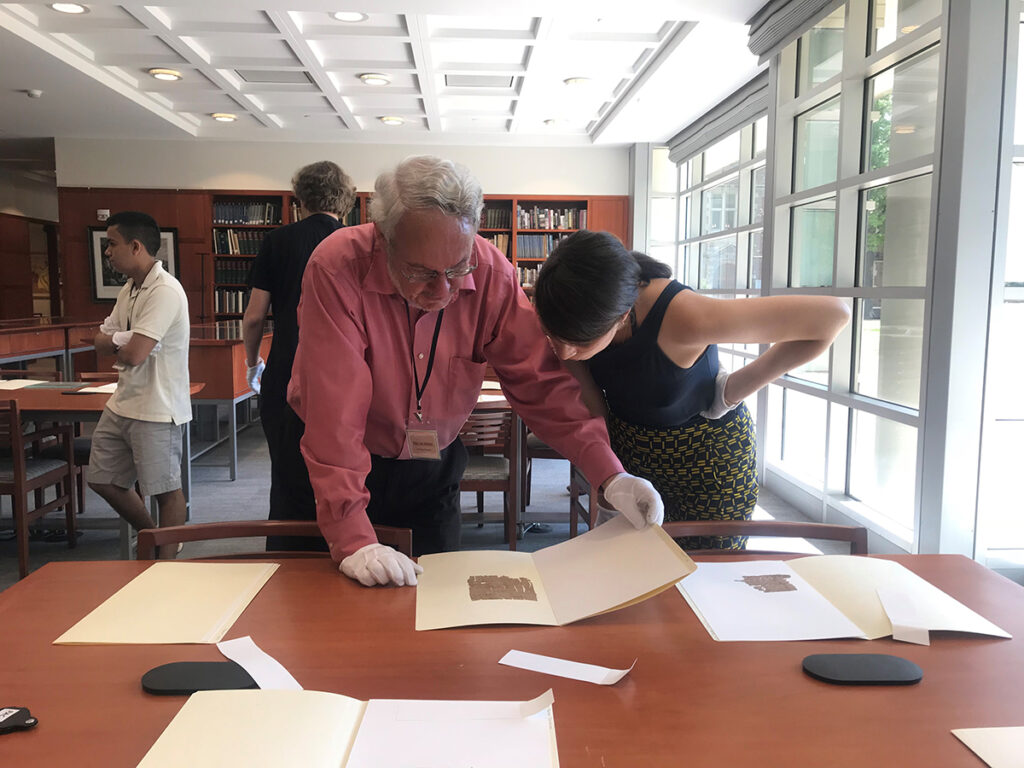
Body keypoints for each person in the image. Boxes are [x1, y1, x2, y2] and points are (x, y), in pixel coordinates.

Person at [288, 155, 663, 587]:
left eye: (456, 268)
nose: (445, 290)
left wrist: (611, 474)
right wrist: (353, 537)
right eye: (422, 272)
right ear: (384, 238)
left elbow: (540, 384)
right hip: (335, 464)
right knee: (327, 616)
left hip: (432, 468)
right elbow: (336, 410)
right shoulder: (337, 266)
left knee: (438, 604)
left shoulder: (490, 273)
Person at [533, 229, 851, 549]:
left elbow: (833, 316)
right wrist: (610, 480)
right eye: (553, 337)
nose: (563, 353)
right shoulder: (570, 314)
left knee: (706, 577)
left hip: (707, 461)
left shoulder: (683, 316)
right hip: (635, 451)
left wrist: (730, 392)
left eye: (577, 344)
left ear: (622, 316)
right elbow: (594, 405)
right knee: (632, 569)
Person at [242, 161, 356, 547]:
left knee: (286, 469)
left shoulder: (278, 241)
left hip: (286, 369)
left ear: (300, 198)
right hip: (345, 375)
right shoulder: (356, 242)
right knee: (341, 463)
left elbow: (255, 317)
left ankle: (287, 553)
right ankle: (342, 538)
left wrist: (251, 361)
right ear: (345, 200)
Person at [88, 211, 191, 559]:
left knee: (166, 490)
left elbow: (133, 354)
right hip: (122, 403)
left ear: (135, 246)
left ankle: (165, 564)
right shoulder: (130, 289)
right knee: (102, 478)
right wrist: (123, 338)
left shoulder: (165, 292)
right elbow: (98, 340)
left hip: (157, 408)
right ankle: (151, 537)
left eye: (112, 244)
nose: (107, 252)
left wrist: (119, 341)